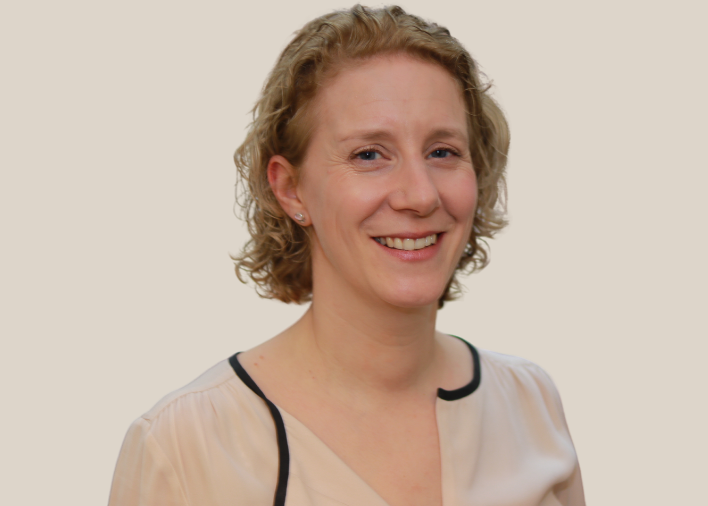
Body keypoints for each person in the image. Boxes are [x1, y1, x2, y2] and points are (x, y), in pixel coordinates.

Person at [108, 5, 584, 506]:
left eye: (442, 151)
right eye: (369, 154)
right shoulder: (184, 447)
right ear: (290, 189)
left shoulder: (531, 405)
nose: (420, 196)